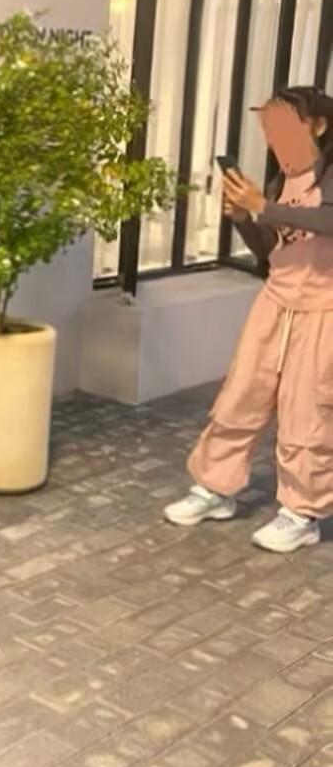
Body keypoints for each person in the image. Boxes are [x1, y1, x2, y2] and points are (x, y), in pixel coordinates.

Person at [163, 85, 333, 553]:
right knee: (241, 395)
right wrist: (243, 217)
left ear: (319, 125)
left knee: (308, 411)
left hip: (323, 310)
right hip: (274, 301)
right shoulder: (280, 181)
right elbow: (269, 250)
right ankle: (215, 489)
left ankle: (302, 513)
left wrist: (262, 206)